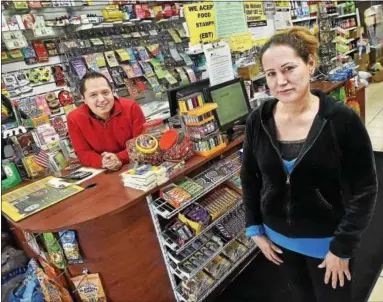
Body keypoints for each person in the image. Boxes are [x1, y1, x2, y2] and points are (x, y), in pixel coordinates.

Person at [241, 26, 378, 302]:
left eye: (289, 68)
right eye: (271, 74)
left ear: (310, 64)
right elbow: (250, 176)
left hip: (326, 243)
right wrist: (254, 228)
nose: (281, 81)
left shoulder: (341, 120)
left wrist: (342, 248)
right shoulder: (258, 120)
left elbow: (365, 189)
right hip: (278, 241)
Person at [67, 71, 146, 170]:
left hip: (136, 165)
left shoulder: (131, 107)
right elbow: (83, 152)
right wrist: (102, 161)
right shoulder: (74, 118)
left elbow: (142, 142)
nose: (101, 99)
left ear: (112, 92)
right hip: (104, 170)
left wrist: (119, 158)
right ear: (84, 99)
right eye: (93, 95)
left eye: (105, 92)